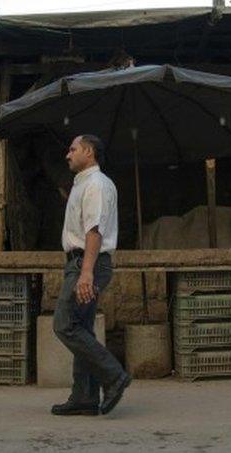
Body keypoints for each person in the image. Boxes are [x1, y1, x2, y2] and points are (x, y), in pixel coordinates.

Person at [51, 134, 131, 416]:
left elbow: (94, 231)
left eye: (73, 149)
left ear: (89, 151)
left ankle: (114, 376)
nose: (67, 154)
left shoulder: (96, 184)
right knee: (81, 328)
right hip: (83, 262)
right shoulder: (83, 183)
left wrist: (86, 274)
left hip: (88, 263)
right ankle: (84, 396)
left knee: (64, 324)